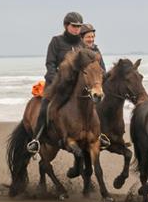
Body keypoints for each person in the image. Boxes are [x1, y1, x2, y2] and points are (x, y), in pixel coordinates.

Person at [27, 12, 110, 154]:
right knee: (45, 106)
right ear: (66, 26)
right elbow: (50, 64)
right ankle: (36, 139)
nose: (77, 29)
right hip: (56, 84)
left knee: (94, 105)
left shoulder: (82, 44)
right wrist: (57, 82)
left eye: (79, 26)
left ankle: (98, 135)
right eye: (74, 26)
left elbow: (89, 65)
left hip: (76, 86)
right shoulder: (56, 42)